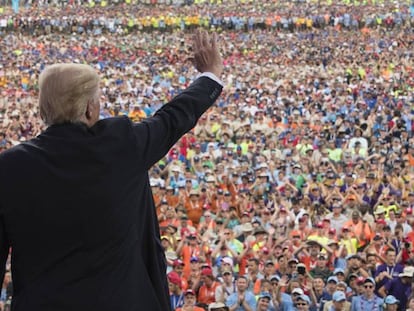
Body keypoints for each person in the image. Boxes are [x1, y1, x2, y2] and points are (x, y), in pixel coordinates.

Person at [0, 30, 224, 311]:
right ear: (91, 109)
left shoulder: (9, 167)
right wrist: (210, 74)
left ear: (44, 111)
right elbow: (173, 117)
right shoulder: (122, 145)